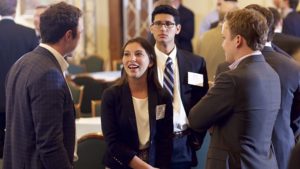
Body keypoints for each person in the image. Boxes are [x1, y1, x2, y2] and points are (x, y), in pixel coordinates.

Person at [189, 8, 281, 169]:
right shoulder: (272, 74)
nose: (223, 45)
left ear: (238, 40)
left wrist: (213, 92)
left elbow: (196, 119)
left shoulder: (232, 78)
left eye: (224, 38)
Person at [3, 2, 82, 169]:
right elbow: (50, 145)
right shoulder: (49, 74)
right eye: (80, 33)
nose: (80, 37)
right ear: (69, 35)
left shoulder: (22, 62)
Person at [150, 5, 209, 169]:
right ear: (151, 28)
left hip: (183, 144)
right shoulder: (141, 63)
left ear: (178, 29)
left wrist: (196, 138)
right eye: (158, 23)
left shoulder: (195, 63)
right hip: (150, 145)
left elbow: (202, 102)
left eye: (168, 24)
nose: (163, 28)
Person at [101, 37, 173, 169]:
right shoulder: (111, 96)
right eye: (126, 54)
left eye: (138, 54)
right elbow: (113, 142)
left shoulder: (162, 97)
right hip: (120, 164)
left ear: (151, 61)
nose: (132, 59)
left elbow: (165, 140)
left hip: (153, 161)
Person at [245, 4, 300, 169]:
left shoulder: (231, 65)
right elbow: (296, 116)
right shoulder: (292, 66)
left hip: (245, 153)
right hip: (282, 146)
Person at [0, 0, 38, 159]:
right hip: (21, 101)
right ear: (15, 10)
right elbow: (36, 70)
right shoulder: (28, 33)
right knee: (19, 152)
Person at [198, 0, 238, 81]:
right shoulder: (234, 38)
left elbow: (197, 65)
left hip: (204, 85)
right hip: (224, 85)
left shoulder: (204, 36)